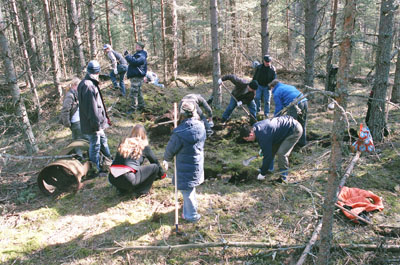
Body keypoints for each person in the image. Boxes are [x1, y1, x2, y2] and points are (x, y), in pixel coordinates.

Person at [163, 101, 206, 223]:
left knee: (187, 191)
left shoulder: (180, 133)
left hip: (185, 166)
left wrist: (166, 159)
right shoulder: (201, 126)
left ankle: (191, 215)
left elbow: (171, 149)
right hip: (197, 163)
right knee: (191, 188)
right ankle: (189, 208)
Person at [240, 115, 302, 183]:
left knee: (282, 153)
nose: (247, 141)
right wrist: (263, 148)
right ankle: (269, 169)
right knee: (271, 149)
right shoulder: (255, 127)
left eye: (247, 139)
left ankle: (284, 177)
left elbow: (267, 156)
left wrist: (262, 174)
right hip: (283, 130)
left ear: (251, 134)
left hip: (294, 130)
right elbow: (267, 143)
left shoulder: (263, 135)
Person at [108, 124, 165, 195]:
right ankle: (142, 191)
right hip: (129, 179)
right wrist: (162, 174)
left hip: (112, 178)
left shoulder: (123, 143)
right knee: (155, 167)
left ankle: (122, 190)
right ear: (144, 135)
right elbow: (155, 162)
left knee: (126, 169)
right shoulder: (143, 146)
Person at [78, 60, 112, 174]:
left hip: (97, 122)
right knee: (95, 145)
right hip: (93, 124)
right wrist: (96, 125)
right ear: (96, 72)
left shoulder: (89, 83)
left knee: (103, 141)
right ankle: (95, 169)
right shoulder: (88, 85)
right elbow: (91, 109)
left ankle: (109, 161)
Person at [269, 79, 308, 147]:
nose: (271, 91)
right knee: (302, 123)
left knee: (291, 125)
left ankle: (290, 145)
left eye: (270, 89)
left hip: (295, 104)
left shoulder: (277, 92)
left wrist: (274, 120)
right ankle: (302, 143)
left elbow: (279, 108)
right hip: (304, 101)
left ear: (272, 87)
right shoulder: (288, 86)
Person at [125, 42, 147, 112]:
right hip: (136, 77)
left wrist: (127, 56)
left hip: (136, 77)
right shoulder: (139, 54)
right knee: (138, 92)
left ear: (140, 47)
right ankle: (141, 106)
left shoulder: (142, 55)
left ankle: (133, 109)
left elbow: (135, 62)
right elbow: (134, 61)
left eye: (137, 46)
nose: (136, 47)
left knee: (133, 93)